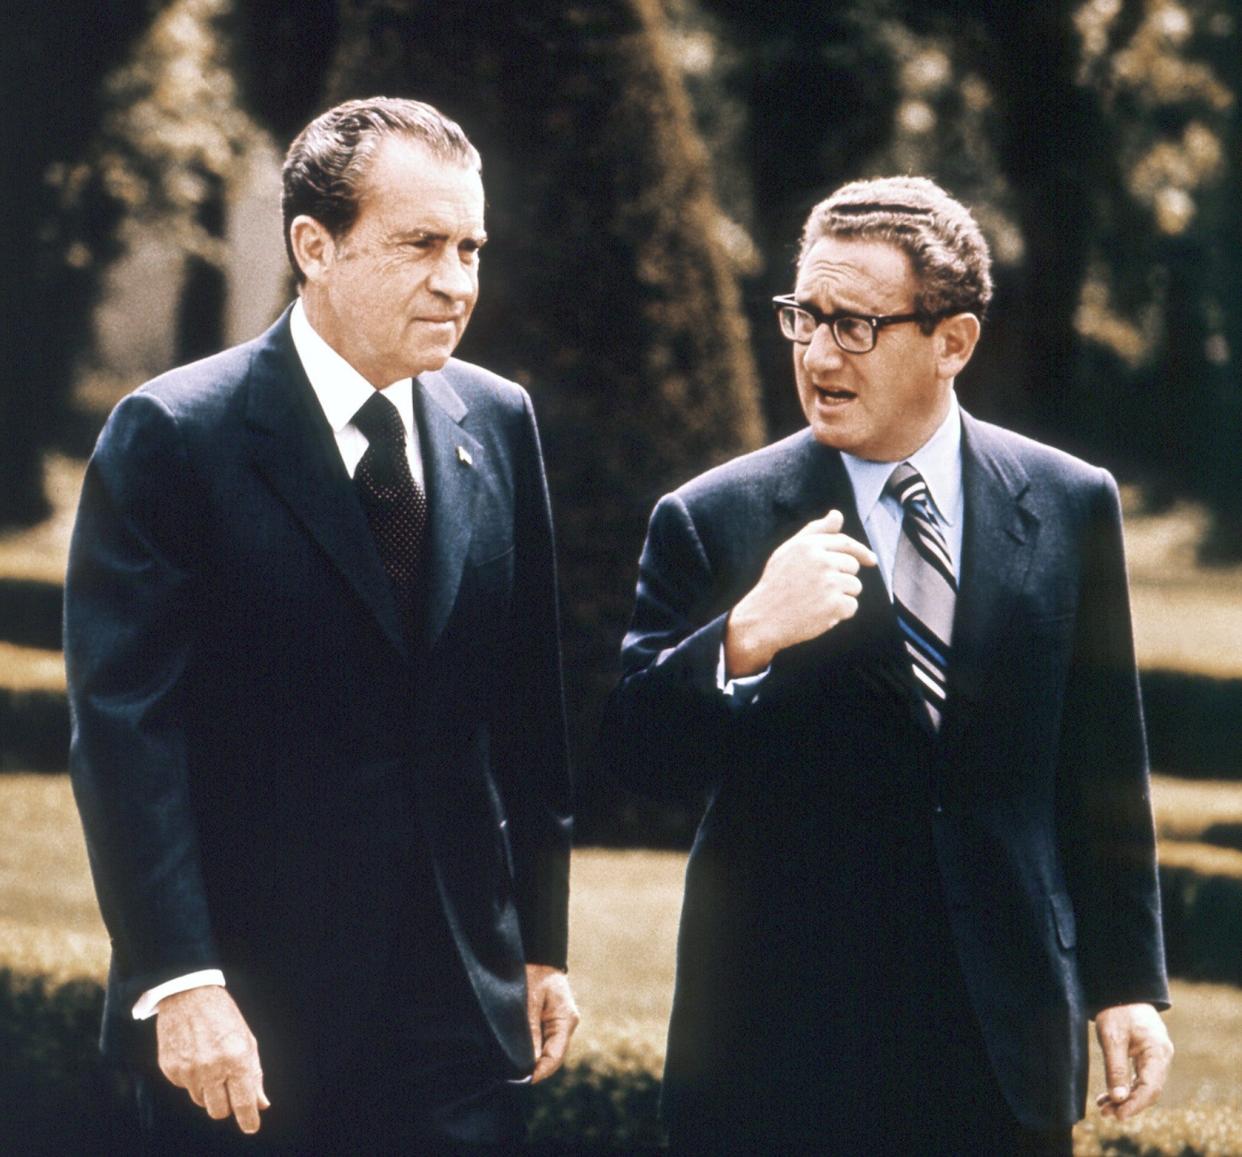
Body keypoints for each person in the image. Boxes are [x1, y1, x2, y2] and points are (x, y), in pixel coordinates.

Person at [600, 176, 1172, 1155]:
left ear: (953, 341)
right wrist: (744, 637)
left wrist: (1127, 982)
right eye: (802, 317)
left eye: (853, 324)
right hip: (781, 1051)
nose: (817, 354)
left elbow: (1102, 759)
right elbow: (635, 762)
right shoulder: (712, 515)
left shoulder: (1073, 503)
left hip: (1002, 1041)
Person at [65, 96, 577, 1154]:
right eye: (422, 243)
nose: (459, 279)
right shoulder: (172, 434)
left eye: (472, 245)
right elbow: (126, 735)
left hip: (455, 1018)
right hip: (247, 1020)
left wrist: (541, 945)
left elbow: (527, 709)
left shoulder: (500, 419)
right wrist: (182, 983)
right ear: (314, 245)